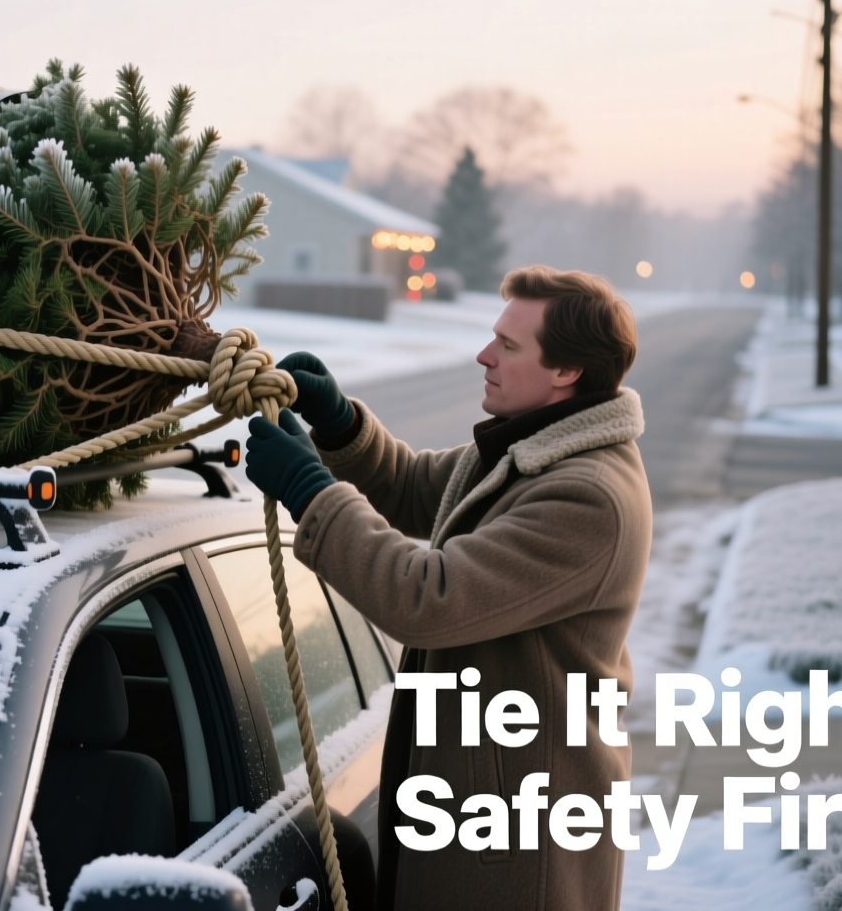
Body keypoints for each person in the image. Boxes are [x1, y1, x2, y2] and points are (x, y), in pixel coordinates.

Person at [243, 266, 650, 911]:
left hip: (519, 842)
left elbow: (428, 599)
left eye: (508, 346)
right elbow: (415, 489)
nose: (484, 355)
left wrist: (310, 492)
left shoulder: (588, 495)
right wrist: (342, 424)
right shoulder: (527, 449)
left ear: (566, 371)